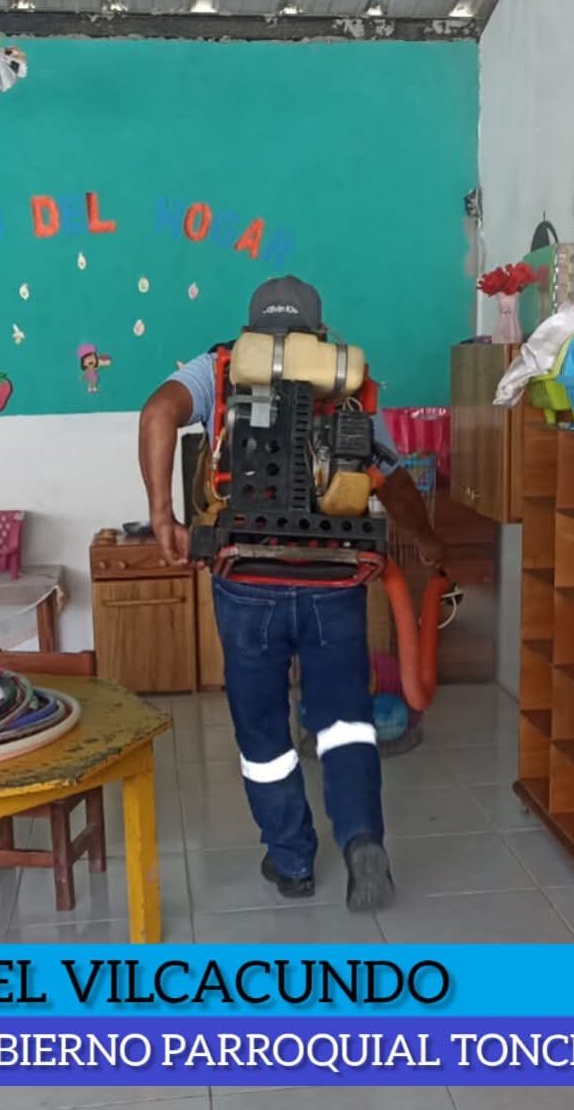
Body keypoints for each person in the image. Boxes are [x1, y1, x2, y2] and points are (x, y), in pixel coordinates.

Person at [138, 275, 443, 912]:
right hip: (334, 578)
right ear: (318, 331)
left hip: (247, 580)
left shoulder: (220, 368)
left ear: (253, 331)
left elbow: (156, 412)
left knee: (262, 729)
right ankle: (362, 842)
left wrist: (162, 516)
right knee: (345, 720)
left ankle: (292, 860)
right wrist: (427, 540)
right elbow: (389, 477)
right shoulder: (345, 376)